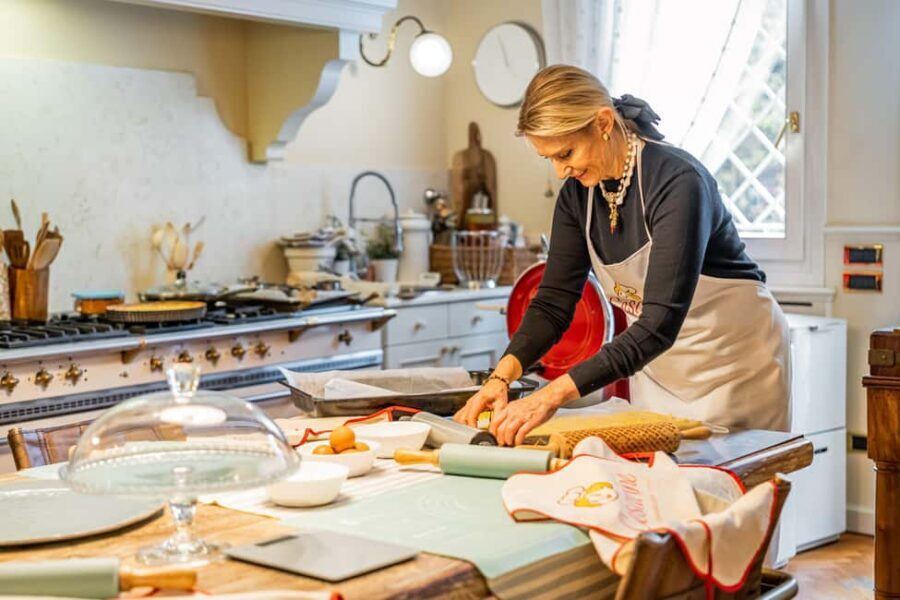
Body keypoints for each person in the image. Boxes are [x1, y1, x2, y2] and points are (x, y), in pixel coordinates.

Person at [454, 65, 790, 446]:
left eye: (565, 153)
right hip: (659, 367)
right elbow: (553, 302)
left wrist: (550, 396)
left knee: (725, 493)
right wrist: (501, 378)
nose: (561, 170)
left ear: (602, 123)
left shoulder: (679, 183)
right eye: (548, 158)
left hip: (733, 363)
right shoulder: (578, 196)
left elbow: (658, 324)